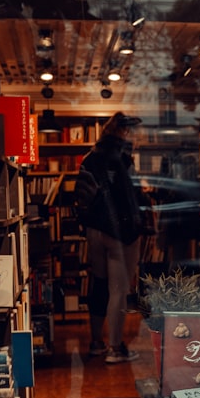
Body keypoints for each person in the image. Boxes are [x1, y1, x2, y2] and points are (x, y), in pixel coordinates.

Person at [76, 112, 146, 364]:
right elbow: (130, 198)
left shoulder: (90, 157)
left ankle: (96, 342)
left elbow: (82, 196)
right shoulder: (122, 158)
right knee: (119, 289)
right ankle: (115, 349)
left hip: (95, 230)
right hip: (120, 232)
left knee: (99, 285)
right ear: (125, 132)